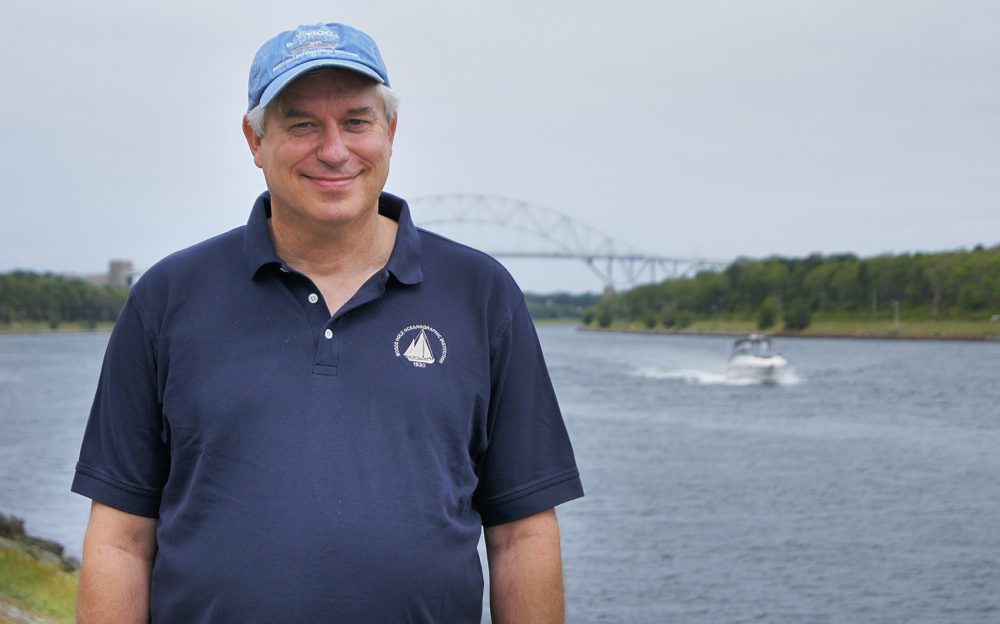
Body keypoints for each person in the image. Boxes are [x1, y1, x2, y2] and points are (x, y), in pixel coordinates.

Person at [71, 22, 583, 623]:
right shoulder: (166, 298)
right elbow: (120, 539)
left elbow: (522, 535)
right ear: (254, 140)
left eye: (357, 121)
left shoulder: (483, 294)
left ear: (390, 132)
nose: (335, 150)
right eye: (302, 124)